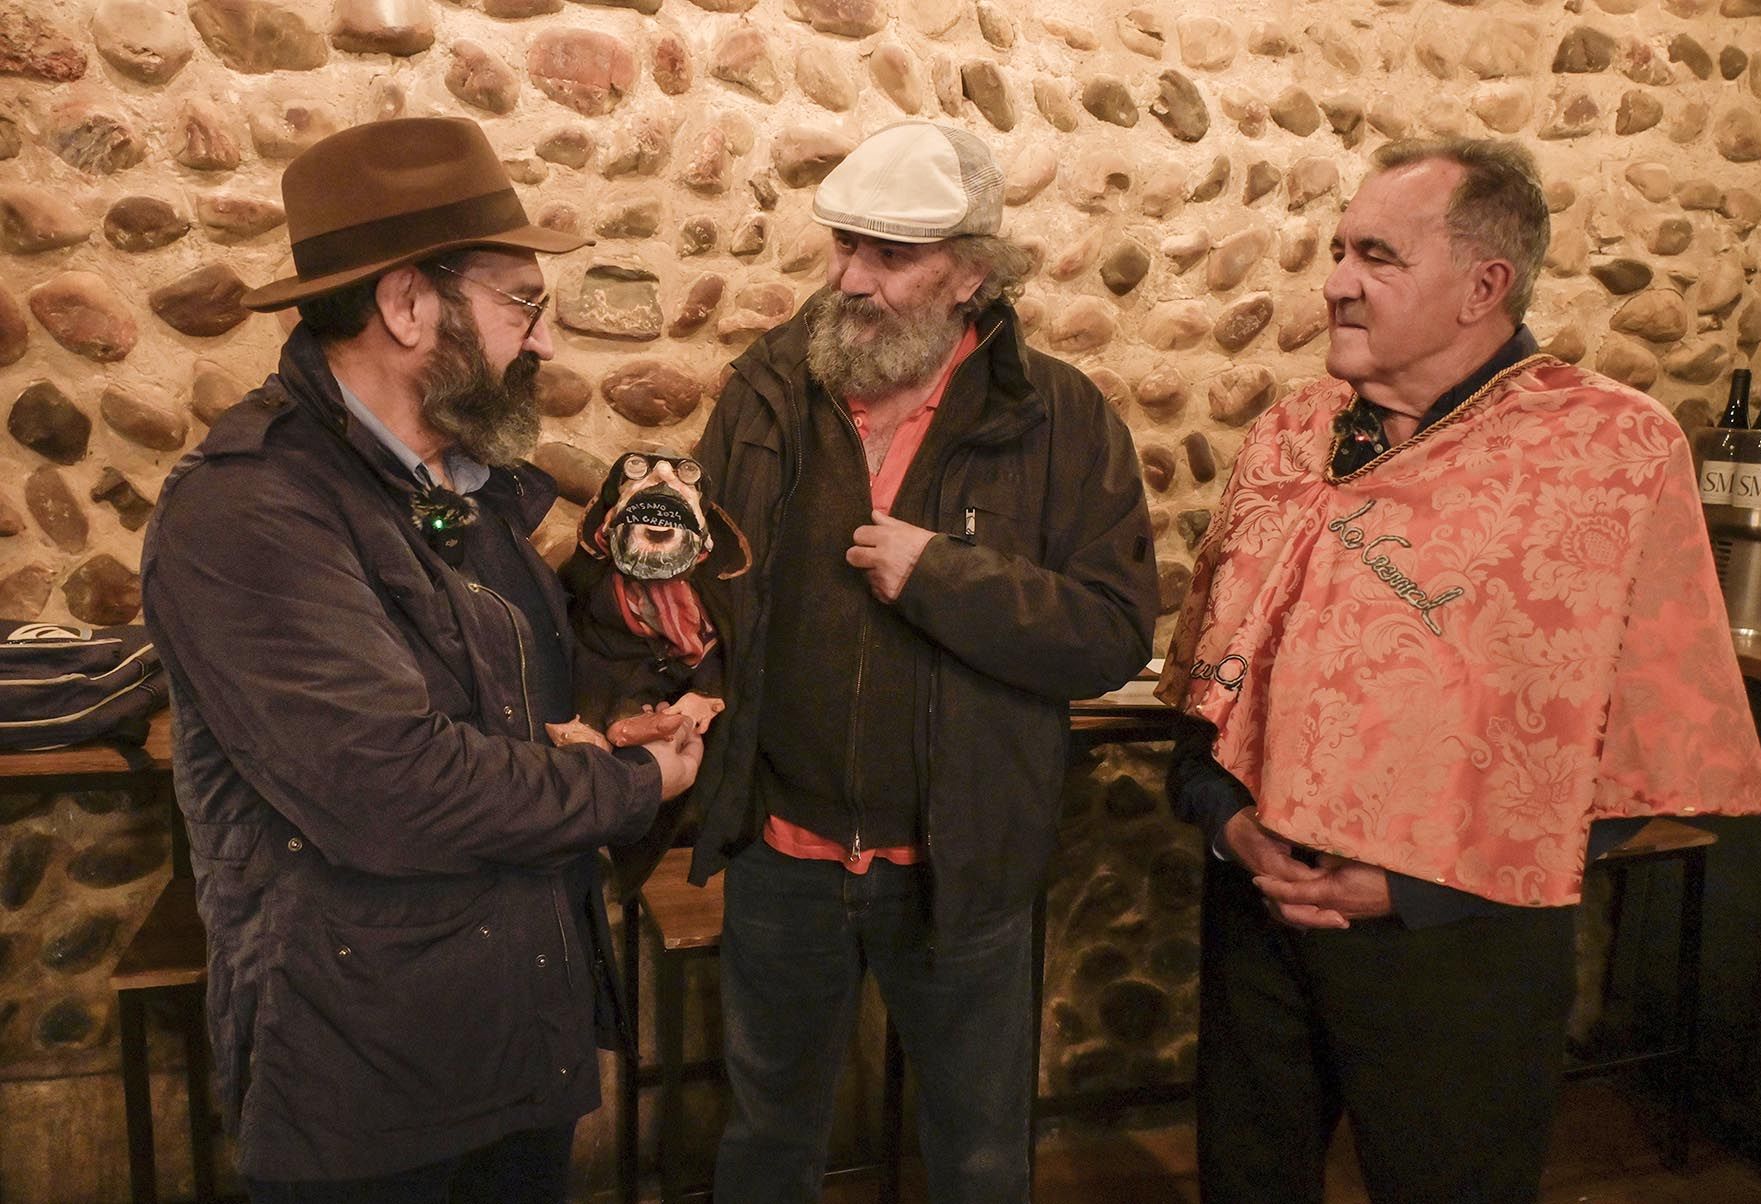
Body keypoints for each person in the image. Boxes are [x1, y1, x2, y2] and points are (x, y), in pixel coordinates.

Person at [1158, 136, 1761, 1204]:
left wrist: (1409, 886)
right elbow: (1208, 684)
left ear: (1481, 284)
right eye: (1337, 247)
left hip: (1461, 948)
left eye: (1376, 255)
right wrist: (1226, 819)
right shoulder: (1289, 432)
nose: (1335, 280)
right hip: (1259, 911)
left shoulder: (1610, 454)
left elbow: (1644, 746)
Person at [140, 117, 702, 1202]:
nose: (543, 343)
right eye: (521, 302)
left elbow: (473, 714)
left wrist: (577, 734)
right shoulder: (252, 508)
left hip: (511, 1032)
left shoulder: (462, 480)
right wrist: (630, 782)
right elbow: (385, 788)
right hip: (372, 1077)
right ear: (406, 304)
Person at [684, 121, 1159, 1202]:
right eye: (844, 246)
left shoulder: (1060, 417)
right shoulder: (765, 392)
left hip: (961, 866)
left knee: (980, 1157)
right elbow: (701, 591)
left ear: (972, 275)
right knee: (765, 1141)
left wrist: (945, 577)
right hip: (781, 853)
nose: (850, 279)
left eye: (889, 256)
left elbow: (1110, 631)